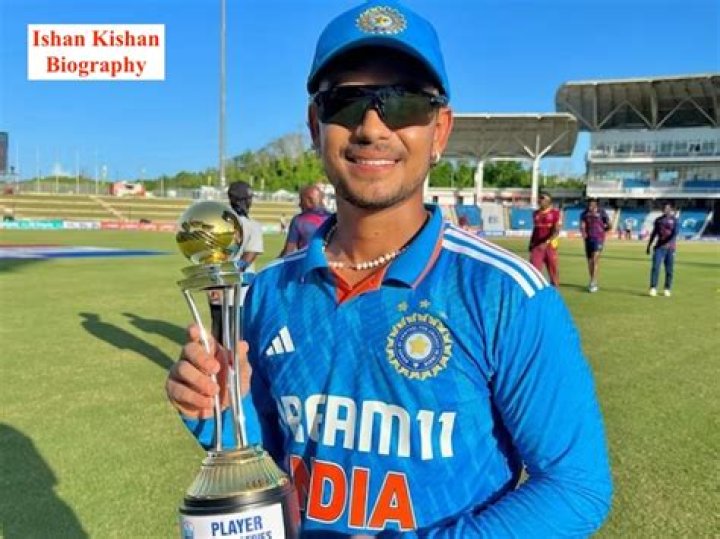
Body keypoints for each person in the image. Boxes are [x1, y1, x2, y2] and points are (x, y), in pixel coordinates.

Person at [166, 1, 612, 536]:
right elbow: (275, 457)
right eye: (346, 101)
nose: (372, 127)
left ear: (440, 130)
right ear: (316, 124)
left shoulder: (505, 294)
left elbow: (575, 486)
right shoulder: (267, 291)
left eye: (403, 103)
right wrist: (221, 412)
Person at [208, 180, 265, 342]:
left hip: (217, 285)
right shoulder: (252, 226)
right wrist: (232, 276)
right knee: (237, 338)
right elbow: (250, 255)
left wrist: (215, 283)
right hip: (240, 290)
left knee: (218, 332)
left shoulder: (217, 224)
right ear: (245, 200)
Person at [279, 183, 332, 256]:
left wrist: (275, 262)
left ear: (310, 201)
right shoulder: (334, 219)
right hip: (331, 262)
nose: (299, 204)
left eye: (301, 200)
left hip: (308, 262)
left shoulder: (299, 221)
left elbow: (288, 251)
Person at [528, 191, 561, 286]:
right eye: (539, 198)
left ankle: (555, 291)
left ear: (549, 201)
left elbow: (556, 231)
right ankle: (536, 291)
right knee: (534, 271)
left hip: (550, 246)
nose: (540, 200)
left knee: (553, 271)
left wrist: (546, 242)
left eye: (542, 198)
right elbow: (536, 229)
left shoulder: (555, 213)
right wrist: (531, 243)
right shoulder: (535, 213)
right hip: (537, 246)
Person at [646, 201, 679, 297]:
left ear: (670, 209)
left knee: (669, 270)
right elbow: (654, 233)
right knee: (655, 267)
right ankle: (653, 288)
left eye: (667, 208)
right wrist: (648, 245)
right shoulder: (658, 220)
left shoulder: (674, 220)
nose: (665, 210)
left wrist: (667, 242)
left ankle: (667, 288)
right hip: (659, 248)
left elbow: (675, 233)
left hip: (670, 248)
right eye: (664, 208)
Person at [580, 198, 611, 293]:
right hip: (588, 239)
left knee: (595, 259)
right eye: (589, 205)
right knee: (589, 261)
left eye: (592, 205)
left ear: (596, 205)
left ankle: (593, 282)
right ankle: (592, 280)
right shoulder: (584, 213)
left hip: (598, 239)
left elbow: (609, 224)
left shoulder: (602, 212)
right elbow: (582, 224)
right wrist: (583, 232)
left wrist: (604, 231)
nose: (590, 206)